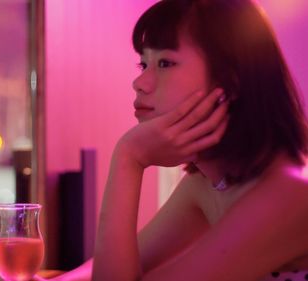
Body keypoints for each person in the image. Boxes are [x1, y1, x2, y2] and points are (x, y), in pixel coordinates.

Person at [43, 0, 308, 280]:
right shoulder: (209, 182)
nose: (140, 82)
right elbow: (107, 269)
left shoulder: (288, 193)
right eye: (143, 63)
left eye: (165, 63)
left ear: (229, 82)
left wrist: (128, 158)